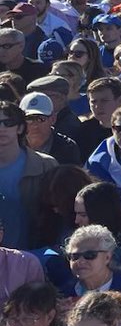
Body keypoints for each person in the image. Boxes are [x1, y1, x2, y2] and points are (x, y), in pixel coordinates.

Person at [0, 100, 58, 250]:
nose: (1, 128)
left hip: (36, 254)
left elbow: (60, 216)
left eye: (8, 122)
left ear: (20, 128)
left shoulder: (46, 165)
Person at [64, 225, 121, 326]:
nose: (80, 261)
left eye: (90, 255)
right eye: (74, 256)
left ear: (107, 257)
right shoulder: (65, 293)